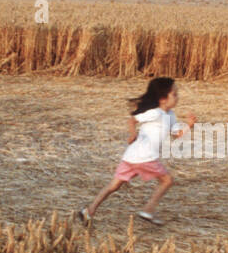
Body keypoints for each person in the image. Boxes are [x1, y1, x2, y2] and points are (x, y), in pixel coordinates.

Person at [79, 77, 195, 226]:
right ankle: (148, 209)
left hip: (131, 157)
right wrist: (133, 134)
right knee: (167, 181)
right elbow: (132, 120)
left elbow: (176, 134)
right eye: (175, 94)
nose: (177, 97)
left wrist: (189, 126)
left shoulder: (170, 115)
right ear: (163, 99)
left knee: (114, 185)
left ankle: (89, 211)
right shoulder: (155, 113)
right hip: (145, 157)